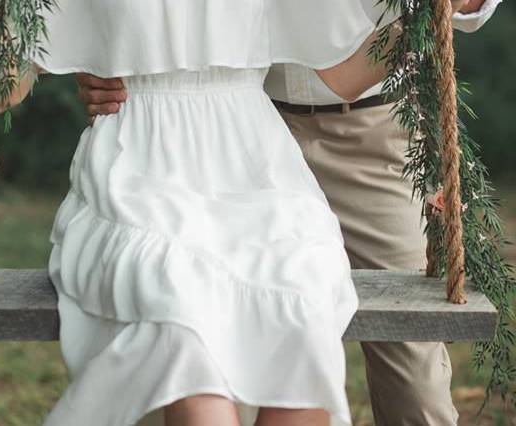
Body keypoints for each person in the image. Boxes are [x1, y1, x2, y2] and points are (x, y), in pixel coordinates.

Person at [75, 1, 503, 425]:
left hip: (371, 133)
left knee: (413, 376)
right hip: (239, 136)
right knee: (220, 350)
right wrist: (101, 58)